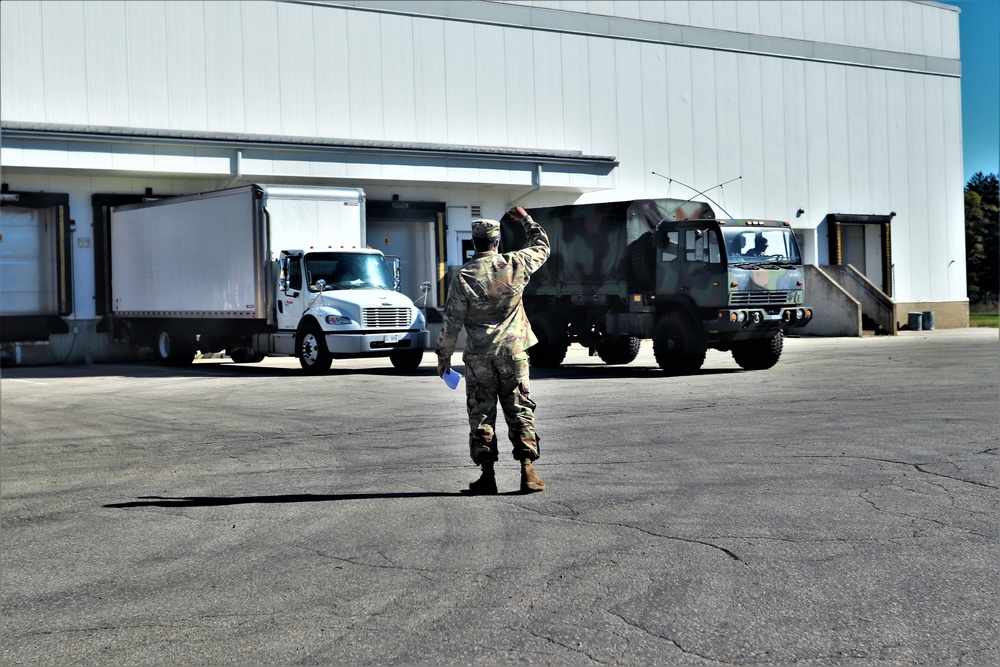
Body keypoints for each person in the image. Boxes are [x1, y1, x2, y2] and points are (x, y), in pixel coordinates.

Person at [435, 206, 551, 495]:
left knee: (482, 413)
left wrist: (443, 358)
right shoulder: (515, 263)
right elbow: (542, 247)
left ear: (474, 243)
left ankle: (487, 476)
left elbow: (451, 323)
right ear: (497, 241)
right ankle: (528, 472)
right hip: (514, 353)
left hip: (479, 358)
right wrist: (525, 220)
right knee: (520, 408)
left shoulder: (463, 277)